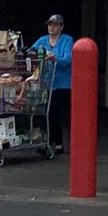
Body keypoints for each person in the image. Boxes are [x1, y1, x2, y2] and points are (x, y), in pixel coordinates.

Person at [30, 13, 75, 154]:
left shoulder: (67, 40)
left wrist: (55, 59)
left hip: (62, 84)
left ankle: (58, 144)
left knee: (54, 113)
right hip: (45, 82)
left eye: (55, 25)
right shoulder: (43, 40)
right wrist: (31, 54)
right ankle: (46, 141)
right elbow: (32, 50)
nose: (52, 27)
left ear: (61, 26)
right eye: (50, 24)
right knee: (45, 113)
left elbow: (68, 59)